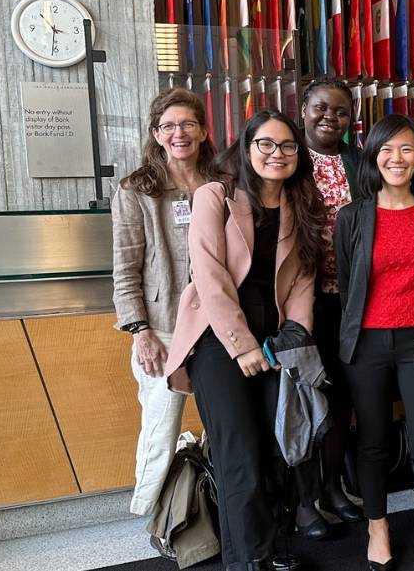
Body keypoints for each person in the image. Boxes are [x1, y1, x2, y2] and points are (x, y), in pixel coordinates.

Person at [163, 109, 326, 570]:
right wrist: (244, 346)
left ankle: (269, 546)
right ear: (247, 148)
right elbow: (210, 278)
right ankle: (247, 561)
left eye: (288, 146)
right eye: (267, 144)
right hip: (218, 339)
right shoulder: (215, 195)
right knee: (241, 461)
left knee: (277, 453)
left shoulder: (301, 203)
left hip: (274, 340)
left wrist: (290, 344)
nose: (278, 154)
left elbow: (302, 285)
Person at [334, 114, 414, 571]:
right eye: (387, 149)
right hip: (367, 344)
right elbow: (349, 286)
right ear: (373, 156)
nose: (397, 158)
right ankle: (378, 526)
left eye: (407, 149)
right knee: (373, 440)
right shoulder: (352, 217)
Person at [111, 88, 219, 557]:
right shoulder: (137, 189)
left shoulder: (222, 181)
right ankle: (157, 520)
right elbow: (125, 265)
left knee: (223, 424)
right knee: (161, 428)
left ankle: (203, 511)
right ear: (156, 135)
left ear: (203, 129)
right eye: (169, 126)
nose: (179, 133)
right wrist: (140, 331)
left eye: (188, 124)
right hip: (164, 326)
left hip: (218, 324)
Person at [300, 77, 365, 528]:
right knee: (304, 399)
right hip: (299, 303)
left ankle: (332, 487)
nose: (330, 118)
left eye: (340, 112)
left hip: (348, 302)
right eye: (322, 108)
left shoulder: (358, 162)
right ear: (304, 107)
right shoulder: (283, 154)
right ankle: (303, 501)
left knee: (341, 399)